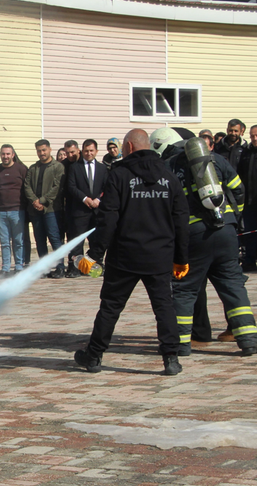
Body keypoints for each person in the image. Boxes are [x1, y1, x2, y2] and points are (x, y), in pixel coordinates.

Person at [74, 129, 189, 376]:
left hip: (125, 256)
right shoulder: (169, 177)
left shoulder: (119, 176)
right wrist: (181, 258)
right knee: (164, 307)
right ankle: (171, 359)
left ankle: (93, 357)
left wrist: (94, 255)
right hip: (160, 256)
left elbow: (108, 218)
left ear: (128, 147)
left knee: (110, 307)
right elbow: (181, 220)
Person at [169, 136, 257, 356]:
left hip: (194, 236)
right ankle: (249, 339)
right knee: (233, 286)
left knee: (185, 289)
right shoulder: (216, 159)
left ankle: (180, 344)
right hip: (226, 231)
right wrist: (233, 216)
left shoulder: (170, 166)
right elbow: (238, 189)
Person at [65, 139, 108, 278]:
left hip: (96, 210)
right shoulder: (75, 167)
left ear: (96, 151)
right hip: (80, 210)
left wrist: (98, 200)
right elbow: (71, 187)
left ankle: (94, 266)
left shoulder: (102, 168)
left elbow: (106, 188)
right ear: (81, 151)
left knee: (96, 241)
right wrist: (85, 199)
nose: (89, 153)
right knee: (77, 241)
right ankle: (75, 268)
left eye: (91, 151)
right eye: (86, 151)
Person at [25, 139, 66, 278]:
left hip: (51, 210)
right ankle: (44, 268)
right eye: (39, 151)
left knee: (55, 238)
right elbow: (27, 186)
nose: (41, 153)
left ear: (49, 149)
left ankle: (60, 267)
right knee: (39, 240)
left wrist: (42, 201)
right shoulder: (33, 168)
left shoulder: (57, 167)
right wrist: (35, 201)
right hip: (35, 210)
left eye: (44, 150)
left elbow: (57, 187)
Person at [0, 144, 27, 277]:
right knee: (4, 243)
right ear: (0, 155)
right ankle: (5, 268)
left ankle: (19, 266)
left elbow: (26, 189)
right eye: (3, 154)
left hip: (17, 211)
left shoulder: (21, 169)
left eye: (8, 154)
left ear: (12, 155)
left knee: (18, 241)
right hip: (0, 212)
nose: (5, 156)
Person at [240, 125, 257, 272]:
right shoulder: (246, 152)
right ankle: (250, 261)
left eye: (256, 135)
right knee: (250, 234)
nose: (254, 138)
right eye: (252, 136)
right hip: (249, 201)